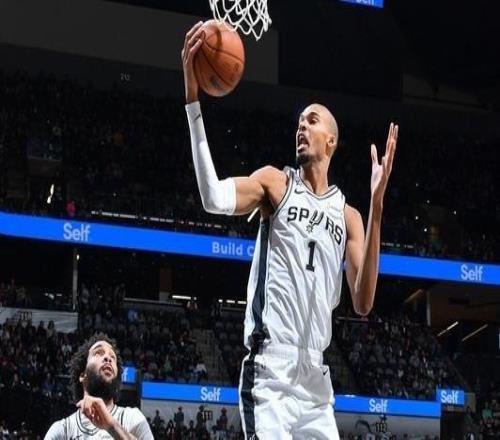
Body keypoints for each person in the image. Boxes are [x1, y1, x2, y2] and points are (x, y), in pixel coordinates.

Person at [182, 21, 398, 440]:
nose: (301, 126)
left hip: (315, 380)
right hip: (270, 372)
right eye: (299, 122)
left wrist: (377, 204)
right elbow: (212, 197)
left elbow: (363, 302)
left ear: (331, 141)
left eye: (311, 121)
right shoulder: (275, 183)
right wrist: (193, 100)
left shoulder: (350, 216)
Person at [44, 333, 153, 439]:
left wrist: (112, 426)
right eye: (98, 353)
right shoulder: (62, 430)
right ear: (82, 375)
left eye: (113, 357)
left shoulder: (132, 418)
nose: (108, 358)